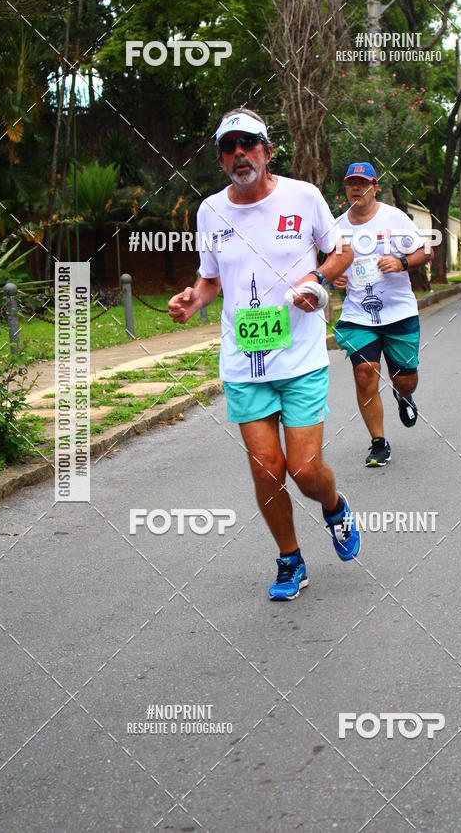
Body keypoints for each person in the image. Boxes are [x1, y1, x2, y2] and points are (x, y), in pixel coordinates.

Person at [168, 108, 359, 601]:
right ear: (220, 159)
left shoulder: (303, 196)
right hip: (245, 361)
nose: (239, 154)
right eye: (229, 147)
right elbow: (210, 279)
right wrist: (194, 298)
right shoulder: (210, 211)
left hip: (300, 357)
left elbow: (341, 253)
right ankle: (290, 560)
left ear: (267, 151)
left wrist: (314, 278)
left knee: (304, 471)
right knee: (266, 468)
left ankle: (334, 506)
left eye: (248, 144)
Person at [332, 162, 430, 467]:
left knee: (406, 380)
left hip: (399, 310)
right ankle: (378, 442)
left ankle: (404, 396)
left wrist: (401, 261)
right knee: (365, 373)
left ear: (375, 186)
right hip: (358, 313)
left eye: (362, 183)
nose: (356, 188)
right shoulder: (337, 227)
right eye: (351, 183)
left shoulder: (395, 218)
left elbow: (426, 251)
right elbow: (329, 263)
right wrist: (335, 278)